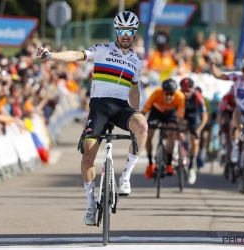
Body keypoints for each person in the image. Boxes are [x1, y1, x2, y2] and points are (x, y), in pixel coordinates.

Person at [36, 11, 148, 226]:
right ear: (117, 31)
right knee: (88, 156)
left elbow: (134, 91)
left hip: (121, 107)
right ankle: (89, 204)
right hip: (99, 107)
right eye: (122, 30)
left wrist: (136, 114)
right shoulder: (103, 49)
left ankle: (125, 178)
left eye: (130, 31)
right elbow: (77, 55)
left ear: (134, 34)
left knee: (142, 125)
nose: (125, 35)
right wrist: (51, 55)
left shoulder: (136, 60)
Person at [210, 58, 244, 167]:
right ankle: (236, 148)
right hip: (241, 110)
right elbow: (219, 75)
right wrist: (212, 64)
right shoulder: (237, 77)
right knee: (234, 125)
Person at [141, 78, 185, 178]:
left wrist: (179, 128)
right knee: (148, 135)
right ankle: (150, 163)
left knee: (171, 133)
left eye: (171, 94)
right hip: (156, 113)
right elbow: (145, 109)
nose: (169, 96)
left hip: (171, 114)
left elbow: (180, 116)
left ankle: (169, 163)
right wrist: (138, 122)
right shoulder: (157, 93)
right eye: (167, 94)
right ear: (163, 92)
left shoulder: (180, 97)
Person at [180, 78, 208, 184]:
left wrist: (198, 130)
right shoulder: (178, 95)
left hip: (194, 116)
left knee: (195, 140)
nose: (186, 93)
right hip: (182, 115)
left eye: (188, 91)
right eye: (184, 91)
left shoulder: (197, 96)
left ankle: (191, 166)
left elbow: (204, 117)